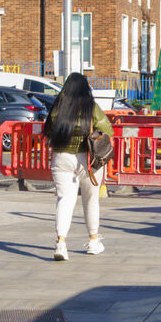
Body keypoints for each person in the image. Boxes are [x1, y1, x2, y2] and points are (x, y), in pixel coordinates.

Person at [41, 72, 113, 261]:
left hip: (61, 157)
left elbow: (47, 131)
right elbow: (107, 130)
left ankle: (61, 244)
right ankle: (93, 241)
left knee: (64, 199)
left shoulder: (58, 107)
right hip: (87, 159)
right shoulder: (91, 107)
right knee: (91, 200)